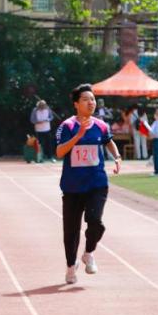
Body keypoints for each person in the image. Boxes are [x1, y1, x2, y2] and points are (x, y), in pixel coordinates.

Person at [54, 83, 120, 285]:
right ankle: (70, 267)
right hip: (72, 186)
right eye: (85, 99)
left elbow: (108, 141)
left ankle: (89, 253)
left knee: (95, 222)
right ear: (76, 104)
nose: (91, 102)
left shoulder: (101, 125)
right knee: (71, 230)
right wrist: (78, 136)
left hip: (96, 183)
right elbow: (59, 152)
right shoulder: (67, 126)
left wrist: (117, 157)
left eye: (93, 99)